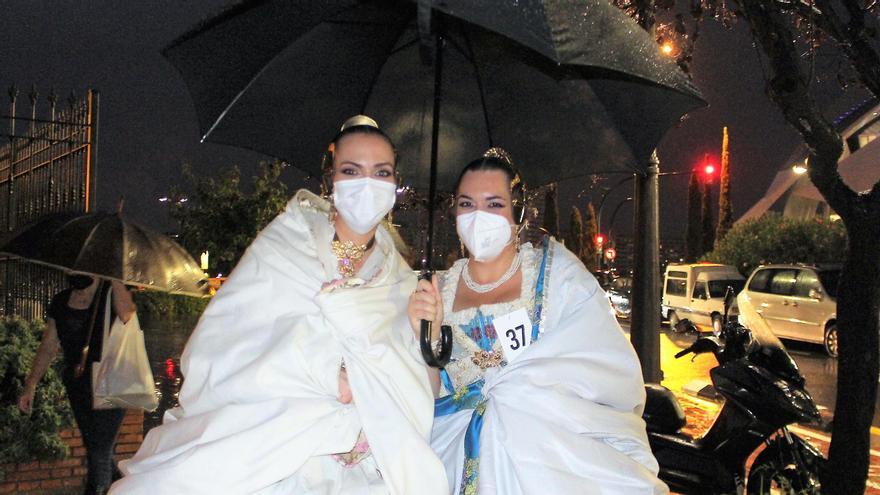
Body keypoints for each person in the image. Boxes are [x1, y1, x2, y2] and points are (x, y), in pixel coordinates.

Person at [110, 116, 447, 495]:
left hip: (364, 463)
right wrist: (325, 371)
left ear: (395, 184)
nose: (367, 184)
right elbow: (225, 343)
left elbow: (423, 396)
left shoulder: (402, 282)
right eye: (352, 171)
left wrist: (425, 339)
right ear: (329, 179)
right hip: (271, 445)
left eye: (381, 172)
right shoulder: (285, 247)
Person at [408, 149, 668, 494]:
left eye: (494, 204)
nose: (478, 216)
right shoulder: (436, 291)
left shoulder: (558, 278)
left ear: (517, 212)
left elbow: (603, 368)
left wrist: (525, 394)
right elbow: (426, 396)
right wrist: (424, 339)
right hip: (452, 456)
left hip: (548, 462)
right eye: (467, 204)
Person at [19, 275, 137, 495]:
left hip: (110, 384)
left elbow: (128, 315)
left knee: (99, 450)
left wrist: (114, 278)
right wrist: (31, 384)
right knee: (96, 448)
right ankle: (126, 488)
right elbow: (48, 346)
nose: (75, 271)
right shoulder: (61, 301)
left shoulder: (109, 294)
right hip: (78, 386)